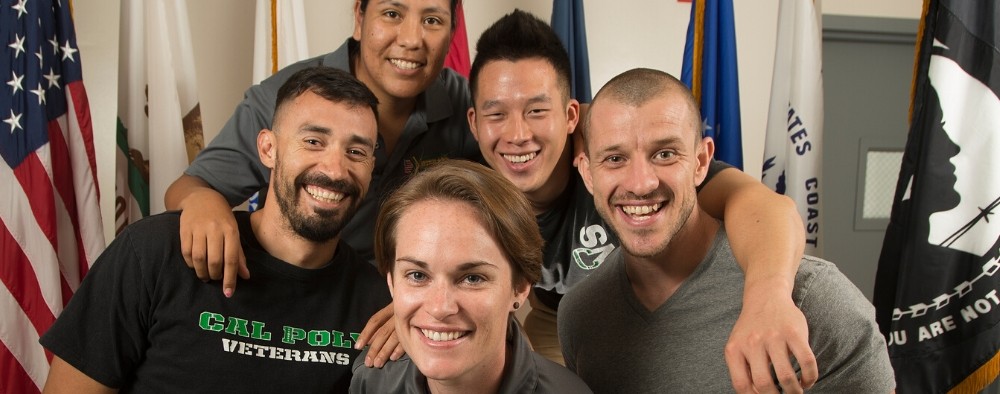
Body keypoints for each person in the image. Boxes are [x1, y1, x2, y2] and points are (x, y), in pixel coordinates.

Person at [465, 10, 815, 391]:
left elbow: (770, 208)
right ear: (474, 124)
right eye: (497, 114)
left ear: (571, 116)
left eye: (536, 111)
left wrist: (768, 296)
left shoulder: (619, 157)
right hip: (554, 318)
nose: (517, 135)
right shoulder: (467, 187)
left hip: (640, 306)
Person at [39, 67, 391, 392]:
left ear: (371, 166)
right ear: (268, 148)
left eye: (356, 151)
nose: (335, 169)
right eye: (313, 141)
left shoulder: (381, 306)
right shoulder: (154, 252)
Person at [558, 68, 895, 393]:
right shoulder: (580, 315)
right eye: (615, 159)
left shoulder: (813, 298)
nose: (641, 183)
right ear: (588, 173)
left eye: (665, 154)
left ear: (702, 161)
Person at [164, 0, 476, 293]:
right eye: (392, 13)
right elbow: (189, 186)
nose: (411, 39)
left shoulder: (469, 106)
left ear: (452, 33)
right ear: (359, 16)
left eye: (432, 20)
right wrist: (205, 202)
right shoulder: (286, 99)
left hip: (415, 303)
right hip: (306, 299)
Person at [350, 159, 591, 393]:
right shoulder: (371, 383)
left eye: (472, 278)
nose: (439, 308)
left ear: (519, 287)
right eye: (417, 275)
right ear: (391, 282)